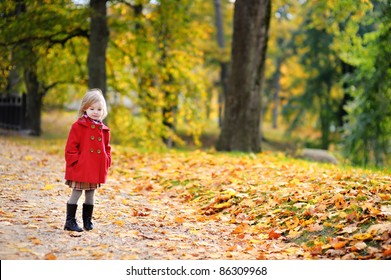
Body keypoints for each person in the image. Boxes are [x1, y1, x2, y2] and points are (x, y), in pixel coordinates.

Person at [63, 88, 111, 232]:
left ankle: (87, 220)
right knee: (76, 192)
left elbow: (107, 148)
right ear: (85, 108)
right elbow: (70, 147)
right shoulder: (78, 126)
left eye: (99, 109)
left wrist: (107, 160)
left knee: (91, 194)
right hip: (81, 166)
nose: (96, 112)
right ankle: (69, 221)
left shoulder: (103, 129)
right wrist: (76, 161)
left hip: (95, 167)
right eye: (92, 108)